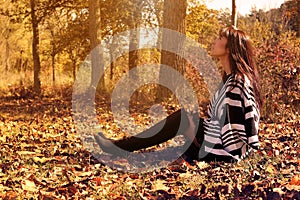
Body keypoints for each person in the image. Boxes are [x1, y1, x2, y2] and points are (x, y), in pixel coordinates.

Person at [94, 26, 263, 163]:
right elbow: (220, 120)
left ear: (230, 48)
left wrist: (197, 126)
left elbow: (236, 129)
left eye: (220, 38)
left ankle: (120, 147)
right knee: (184, 123)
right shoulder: (229, 80)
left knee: (183, 118)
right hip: (217, 145)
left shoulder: (238, 82)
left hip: (224, 152)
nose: (214, 41)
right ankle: (123, 146)